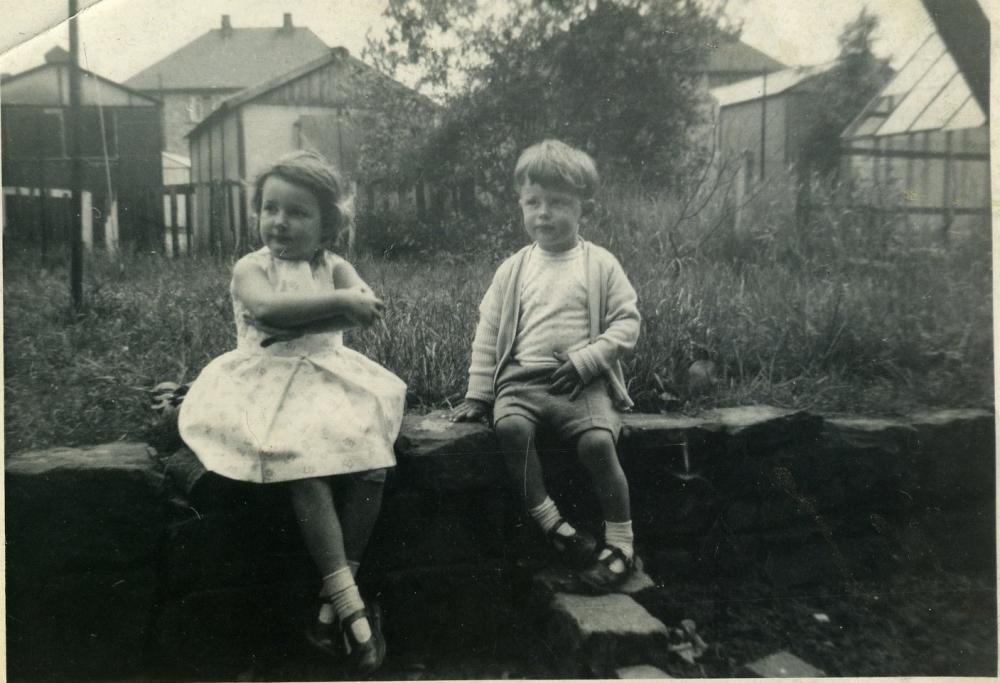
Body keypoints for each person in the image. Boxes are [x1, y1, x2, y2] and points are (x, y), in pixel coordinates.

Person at [178, 150, 405, 676]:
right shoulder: (251, 268)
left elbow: (367, 307)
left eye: (298, 212)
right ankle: (352, 609)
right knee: (303, 463)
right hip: (267, 379)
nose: (280, 221)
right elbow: (267, 312)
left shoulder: (334, 267)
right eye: (270, 208)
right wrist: (333, 307)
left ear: (327, 223)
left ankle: (331, 608)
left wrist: (333, 308)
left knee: (373, 459)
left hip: (329, 376)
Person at [451, 139, 641, 592]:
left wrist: (588, 358)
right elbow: (488, 330)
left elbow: (626, 323)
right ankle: (555, 526)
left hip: (581, 381)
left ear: (583, 210)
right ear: (520, 205)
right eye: (533, 203)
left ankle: (621, 543)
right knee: (511, 431)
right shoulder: (513, 269)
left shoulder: (600, 265)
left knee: (597, 444)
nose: (544, 214)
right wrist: (479, 394)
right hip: (521, 379)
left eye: (558, 203)